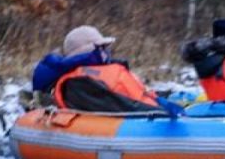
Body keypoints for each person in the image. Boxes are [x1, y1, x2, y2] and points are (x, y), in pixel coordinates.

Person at [32, 25, 162, 112]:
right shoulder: (79, 83)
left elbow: (137, 96)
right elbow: (121, 106)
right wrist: (163, 112)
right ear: (90, 51)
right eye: (102, 48)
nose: (107, 52)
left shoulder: (97, 75)